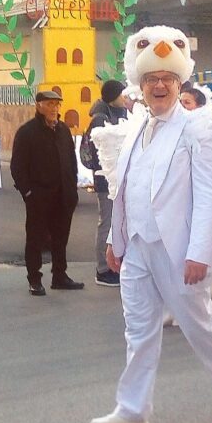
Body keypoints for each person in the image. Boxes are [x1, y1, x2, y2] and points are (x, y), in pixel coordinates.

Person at [90, 32, 212, 423]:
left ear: (180, 83)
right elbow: (122, 187)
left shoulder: (200, 129)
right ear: (139, 85)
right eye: (151, 79)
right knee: (139, 330)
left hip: (178, 250)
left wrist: (199, 252)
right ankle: (132, 408)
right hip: (138, 250)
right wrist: (116, 239)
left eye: (167, 78)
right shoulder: (136, 129)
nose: (159, 85)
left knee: (200, 326)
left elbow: (209, 194)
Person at [10, 90, 83, 296]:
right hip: (39, 197)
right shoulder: (27, 132)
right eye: (49, 104)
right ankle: (34, 279)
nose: (54, 108)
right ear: (39, 106)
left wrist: (72, 187)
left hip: (63, 195)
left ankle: (60, 276)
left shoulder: (63, 130)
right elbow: (17, 167)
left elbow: (71, 161)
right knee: (35, 239)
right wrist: (28, 193)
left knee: (61, 238)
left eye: (57, 104)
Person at [87, 80, 127, 287]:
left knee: (117, 221)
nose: (125, 97)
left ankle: (115, 264)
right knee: (108, 222)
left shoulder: (117, 114)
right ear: (113, 96)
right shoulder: (100, 119)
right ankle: (103, 269)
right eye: (122, 94)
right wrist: (105, 173)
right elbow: (97, 153)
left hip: (119, 179)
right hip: (106, 180)